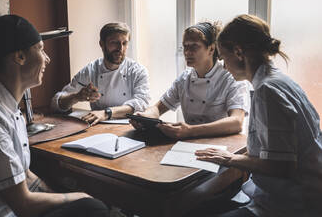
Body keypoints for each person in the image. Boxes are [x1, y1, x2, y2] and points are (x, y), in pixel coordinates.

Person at [0, 15, 109, 217]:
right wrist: (79, 197)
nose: (47, 58)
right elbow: (24, 204)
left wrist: (64, 198)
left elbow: (24, 176)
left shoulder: (11, 111)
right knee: (93, 208)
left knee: (88, 205)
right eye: (41, 49)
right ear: (20, 57)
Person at [195, 14, 322, 217]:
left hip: (292, 205)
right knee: (202, 206)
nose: (224, 66)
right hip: (292, 194)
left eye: (223, 57)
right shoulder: (280, 80)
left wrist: (230, 159)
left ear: (238, 52)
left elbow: (281, 166)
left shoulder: (267, 91)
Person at [130, 22, 250, 139]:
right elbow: (158, 108)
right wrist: (145, 116)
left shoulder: (231, 78)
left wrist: (191, 131)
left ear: (211, 49)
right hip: (189, 142)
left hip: (222, 145)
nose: (187, 52)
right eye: (185, 46)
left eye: (194, 46)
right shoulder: (184, 79)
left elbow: (236, 122)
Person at [51, 22, 151, 125]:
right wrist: (77, 96)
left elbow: (141, 103)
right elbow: (56, 103)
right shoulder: (91, 70)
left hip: (129, 127)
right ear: (102, 44)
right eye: (114, 42)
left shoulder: (138, 71)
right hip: (97, 125)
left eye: (124, 43)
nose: (120, 49)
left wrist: (106, 113)